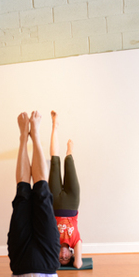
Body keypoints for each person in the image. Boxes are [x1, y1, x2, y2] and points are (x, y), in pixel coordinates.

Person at [6, 111, 72, 277]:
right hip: (47, 260)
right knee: (42, 191)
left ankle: (23, 139)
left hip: (20, 260)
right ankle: (36, 135)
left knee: (23, 192)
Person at [49, 111, 83, 268]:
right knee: (69, 161)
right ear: (71, 254)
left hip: (55, 202)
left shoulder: (52, 240)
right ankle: (69, 151)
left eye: (60, 259)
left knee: (54, 161)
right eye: (66, 258)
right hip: (72, 202)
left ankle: (54, 126)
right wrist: (75, 259)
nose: (63, 256)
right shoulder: (75, 241)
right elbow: (78, 265)